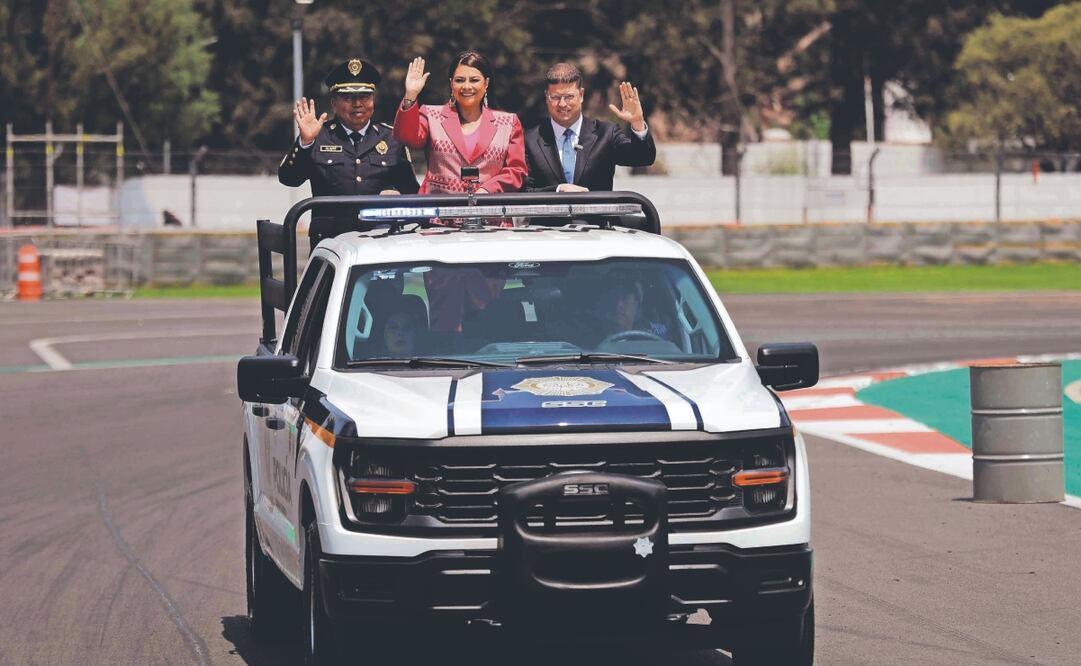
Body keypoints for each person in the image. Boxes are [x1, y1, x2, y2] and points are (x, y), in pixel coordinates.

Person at [278, 58, 419, 250]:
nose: (358, 104)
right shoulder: (319, 136)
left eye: (364, 97)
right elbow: (289, 178)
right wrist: (305, 143)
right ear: (334, 103)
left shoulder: (392, 138)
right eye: (348, 98)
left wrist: (396, 193)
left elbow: (413, 193)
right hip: (331, 244)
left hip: (381, 242)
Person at [393, 51, 527, 194]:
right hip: (439, 212)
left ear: (486, 83)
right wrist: (411, 94)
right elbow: (406, 137)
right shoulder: (431, 115)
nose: (467, 86)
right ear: (451, 83)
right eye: (460, 80)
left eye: (474, 80)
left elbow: (516, 171)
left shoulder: (508, 123)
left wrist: (488, 189)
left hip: (489, 212)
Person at [524, 62, 656, 192]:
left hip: (595, 214)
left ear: (581, 95)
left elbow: (643, 157)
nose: (562, 104)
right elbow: (524, 190)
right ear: (547, 97)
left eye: (569, 97)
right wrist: (558, 190)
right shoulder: (530, 140)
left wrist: (637, 122)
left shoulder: (605, 134)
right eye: (555, 97)